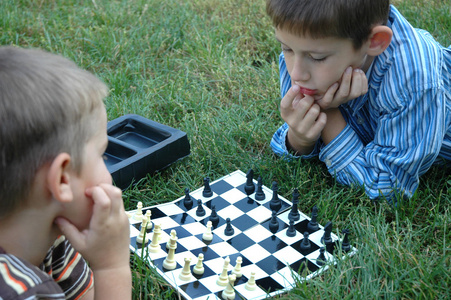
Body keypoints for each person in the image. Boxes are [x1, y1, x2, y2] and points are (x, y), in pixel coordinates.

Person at [266, 0, 451, 200]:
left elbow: (387, 188)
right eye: (286, 48)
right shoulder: (306, 49)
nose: (296, 73)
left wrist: (329, 114)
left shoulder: (416, 82)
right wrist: (300, 138)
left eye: (317, 58)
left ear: (374, 41)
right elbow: (293, 149)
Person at [0, 46, 132, 299]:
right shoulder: (22, 293)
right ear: (61, 179)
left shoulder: (48, 238)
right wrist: (111, 267)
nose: (108, 168)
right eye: (101, 154)